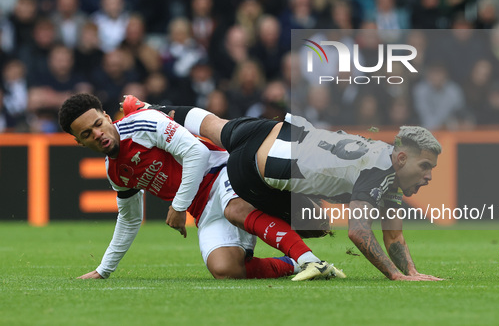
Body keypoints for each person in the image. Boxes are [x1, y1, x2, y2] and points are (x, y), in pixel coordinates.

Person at [121, 95, 443, 281]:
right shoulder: (382, 173)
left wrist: (411, 270)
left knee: (213, 125)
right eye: (425, 167)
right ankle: (299, 259)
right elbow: (359, 233)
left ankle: (149, 108)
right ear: (401, 158)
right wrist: (397, 276)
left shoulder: (387, 162)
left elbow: (393, 235)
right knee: (317, 224)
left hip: (273, 129)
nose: (428, 176)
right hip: (255, 174)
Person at [58, 94, 345, 281]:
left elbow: (198, 153)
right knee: (225, 269)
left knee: (235, 208)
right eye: (87, 134)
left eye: (98, 124)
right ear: (80, 142)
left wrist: (178, 207)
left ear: (107, 117)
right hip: (204, 208)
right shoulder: (116, 173)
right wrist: (103, 271)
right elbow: (130, 219)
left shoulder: (142, 124)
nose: (98, 134)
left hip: (225, 172)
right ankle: (293, 264)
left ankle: (312, 261)